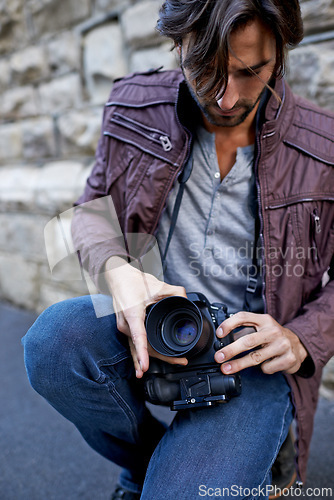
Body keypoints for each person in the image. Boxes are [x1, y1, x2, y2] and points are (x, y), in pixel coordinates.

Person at [23, 1, 334, 499]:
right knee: (53, 344)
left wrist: (301, 339)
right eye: (204, 70)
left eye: (250, 72)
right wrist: (116, 269)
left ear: (282, 53)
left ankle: (247, 448)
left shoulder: (327, 147)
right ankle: (149, 460)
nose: (227, 98)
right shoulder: (131, 104)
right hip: (152, 324)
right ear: (177, 44)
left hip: (249, 358)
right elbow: (90, 210)